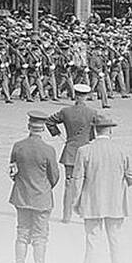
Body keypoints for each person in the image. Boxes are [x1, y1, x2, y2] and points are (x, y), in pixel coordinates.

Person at [72, 112, 132, 263]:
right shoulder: (121, 151)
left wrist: (76, 203)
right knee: (115, 241)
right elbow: (131, 177)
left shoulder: (84, 151)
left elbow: (77, 180)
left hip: (92, 202)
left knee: (92, 242)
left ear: (94, 130)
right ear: (110, 131)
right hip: (115, 204)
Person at [9, 111, 61, 263]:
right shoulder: (48, 150)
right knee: (40, 237)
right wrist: (44, 188)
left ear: (28, 127)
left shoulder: (18, 146)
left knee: (22, 233)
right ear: (43, 129)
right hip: (41, 198)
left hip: (22, 196)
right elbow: (54, 176)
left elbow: (12, 172)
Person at [45, 83, 97, 223]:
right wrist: (91, 137)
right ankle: (86, 215)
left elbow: (49, 121)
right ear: (86, 96)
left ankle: (66, 216)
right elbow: (100, 127)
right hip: (86, 151)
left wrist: (58, 134)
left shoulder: (66, 111)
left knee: (69, 186)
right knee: (87, 184)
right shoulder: (92, 112)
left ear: (75, 95)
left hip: (70, 152)